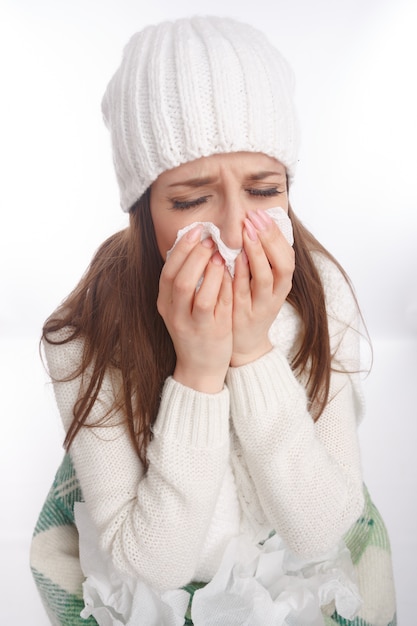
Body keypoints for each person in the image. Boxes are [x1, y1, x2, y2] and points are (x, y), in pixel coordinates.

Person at [30, 16, 397, 626]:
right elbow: (157, 566)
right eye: (190, 199)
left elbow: (321, 530)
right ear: (143, 209)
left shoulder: (319, 293)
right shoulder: (82, 336)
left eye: (264, 189)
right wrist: (198, 371)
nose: (232, 230)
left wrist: (252, 352)